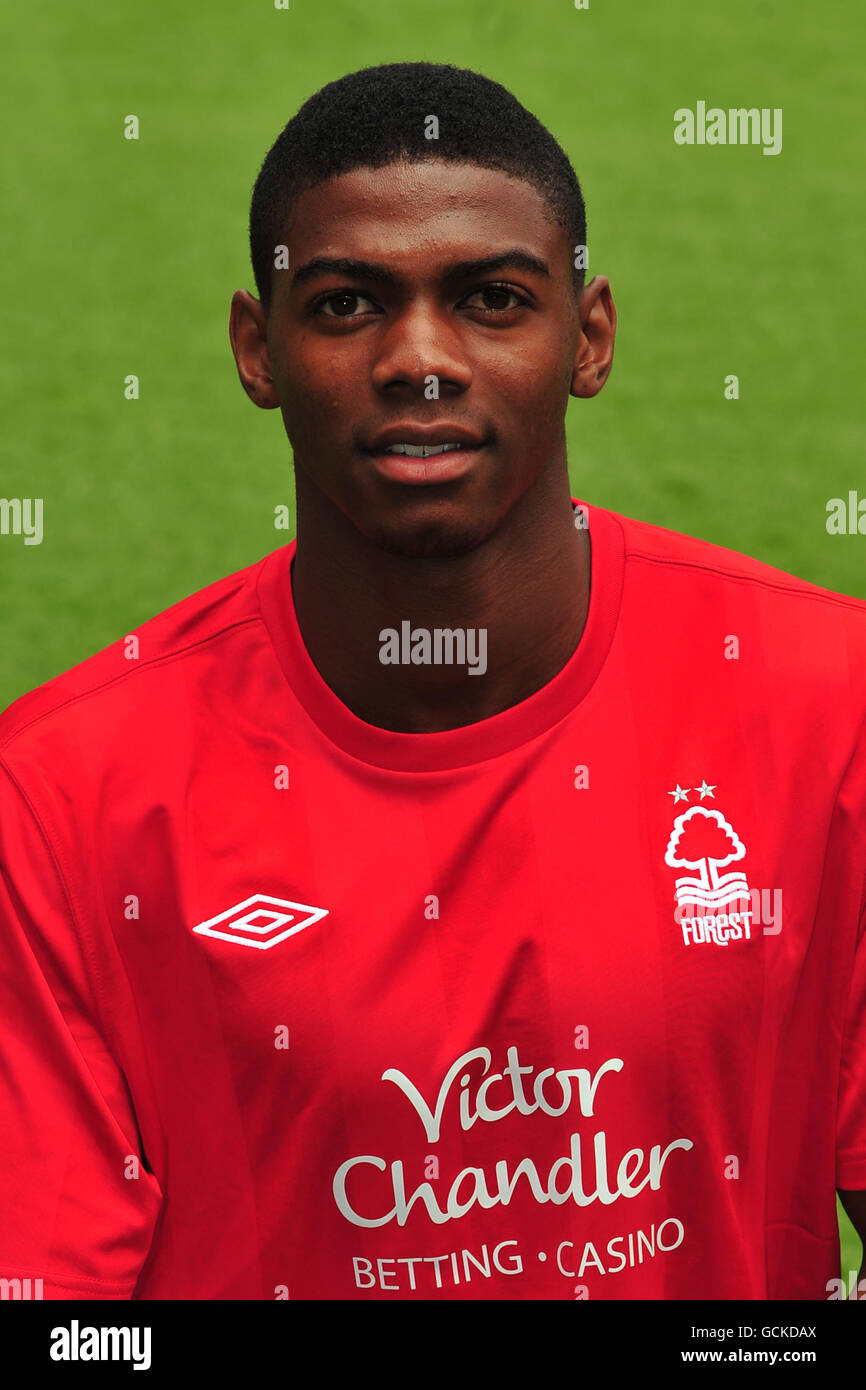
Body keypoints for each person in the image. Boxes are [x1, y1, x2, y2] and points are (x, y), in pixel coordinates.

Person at [0, 61, 864, 1301]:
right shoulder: (60, 798)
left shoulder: (830, 705)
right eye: (348, 304)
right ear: (258, 349)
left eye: (491, 299)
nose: (420, 360)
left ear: (588, 335)